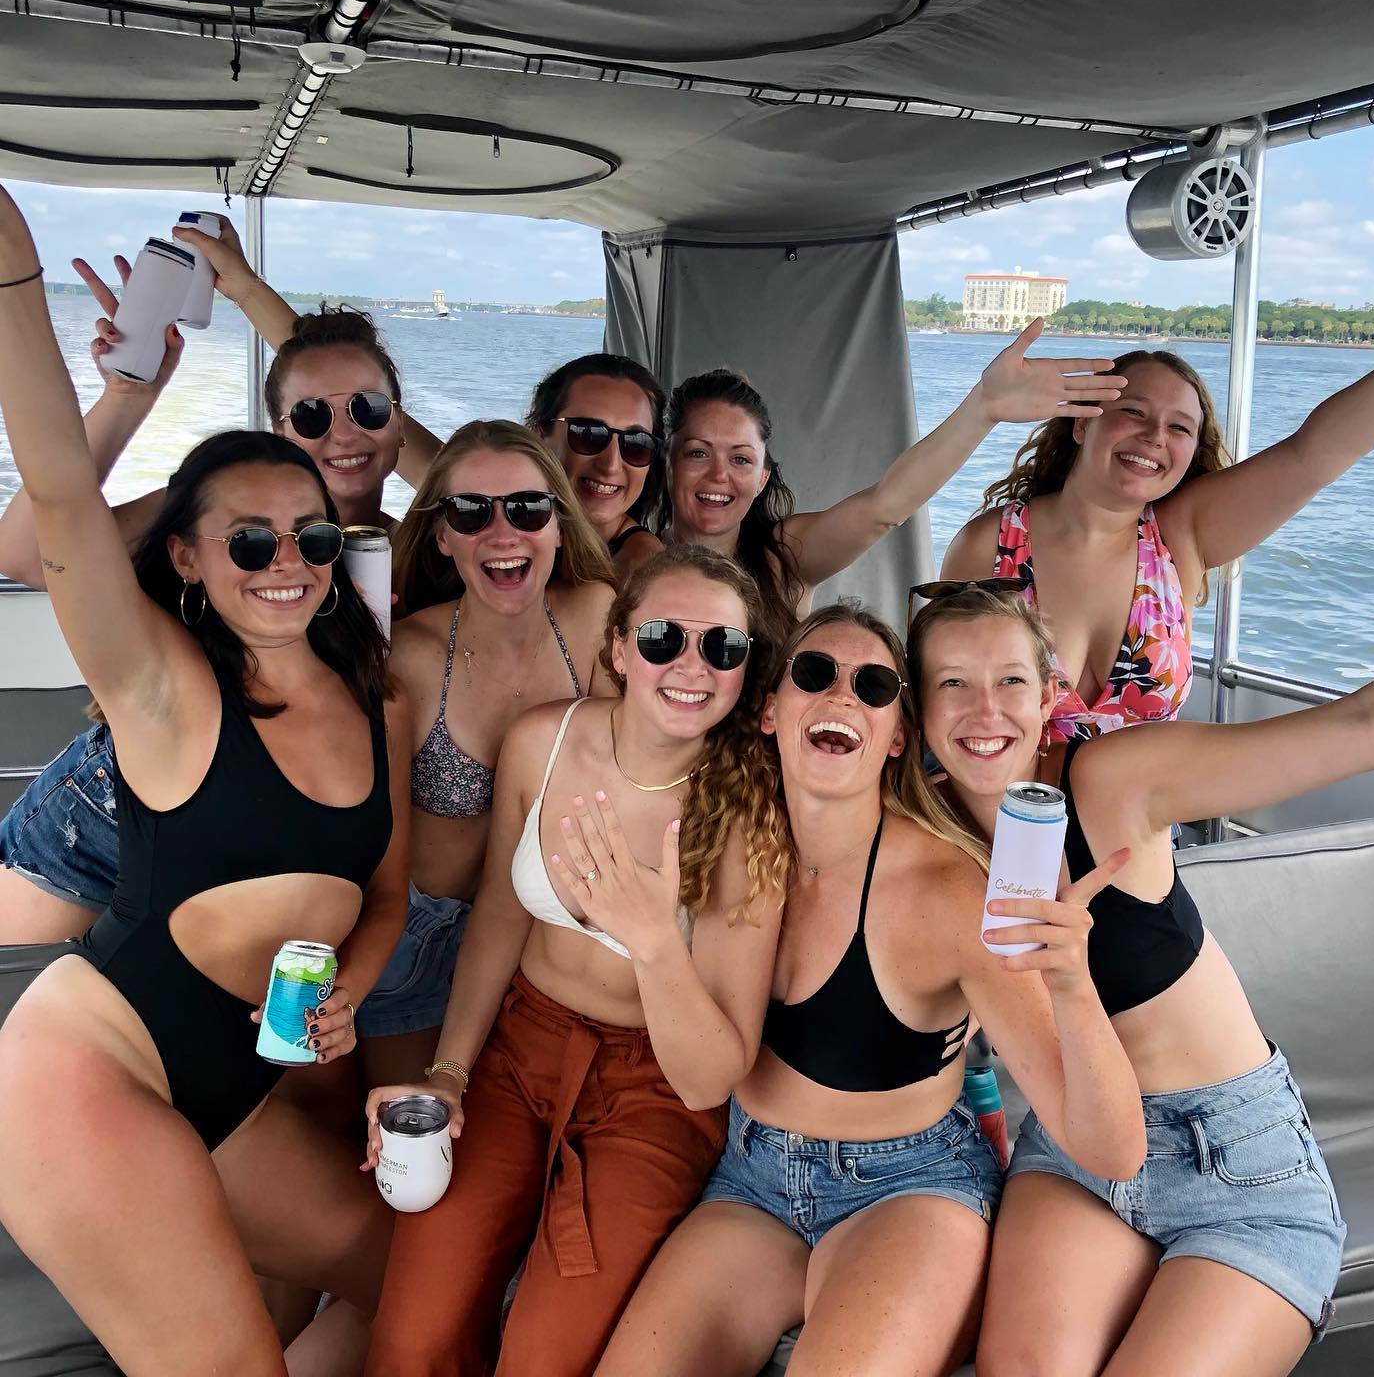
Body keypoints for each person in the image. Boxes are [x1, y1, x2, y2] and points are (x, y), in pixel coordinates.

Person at [0, 181, 411, 1374]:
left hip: (234, 1095)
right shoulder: (164, 685)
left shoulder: (370, 695)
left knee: (425, 1290)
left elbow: (379, 896)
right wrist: (17, 283)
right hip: (94, 1071)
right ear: (186, 554)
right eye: (248, 540)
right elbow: (62, 505)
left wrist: (353, 996)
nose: (287, 562)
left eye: (313, 537)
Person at [597, 602, 1144, 1377]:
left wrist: (1073, 987)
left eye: (876, 685)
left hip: (909, 1192)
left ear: (896, 739)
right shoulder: (742, 850)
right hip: (754, 1178)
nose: (842, 696)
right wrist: (654, 946)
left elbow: (1113, 1151)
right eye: (814, 674)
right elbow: (699, 1078)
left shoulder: (948, 893)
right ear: (768, 711)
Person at [909, 582, 1374, 1376]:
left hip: (1237, 1162)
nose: (986, 711)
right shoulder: (925, 831)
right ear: (917, 709)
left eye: (1011, 681)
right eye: (953, 683)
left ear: (1051, 693)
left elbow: (1362, 726)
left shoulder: (1116, 781)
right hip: (1077, 1151)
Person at [360, 545, 789, 1377]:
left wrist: (656, 939)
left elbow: (709, 1078)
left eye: (723, 648)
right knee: (411, 1336)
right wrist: (449, 1071)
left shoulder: (748, 809)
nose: (691, 666)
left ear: (745, 670)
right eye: (664, 638)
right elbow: (497, 919)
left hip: (655, 1090)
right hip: (518, 1050)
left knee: (546, 1359)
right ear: (621, 648)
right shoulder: (541, 742)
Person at [0, 297, 429, 948]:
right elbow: (32, 549)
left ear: (401, 427)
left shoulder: (422, 555)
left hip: (258, 859)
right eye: (312, 415)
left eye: (368, 409)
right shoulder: (214, 500)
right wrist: (127, 394)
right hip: (98, 834)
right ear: (279, 432)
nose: (343, 435)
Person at [939, 328, 1374, 741]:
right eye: (1133, 411)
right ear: (1080, 424)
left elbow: (1318, 453)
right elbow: (939, 701)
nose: (1155, 435)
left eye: (1179, 428)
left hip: (1141, 849)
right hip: (997, 836)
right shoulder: (989, 546)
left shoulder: (1182, 536)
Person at [371, 419, 615, 1077]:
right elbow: (372, 851)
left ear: (560, 525)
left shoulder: (595, 617)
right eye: (472, 511)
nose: (503, 532)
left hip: (546, 933)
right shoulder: (408, 657)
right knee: (403, 1146)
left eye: (529, 508)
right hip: (415, 941)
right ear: (443, 536)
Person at [657, 319, 1126, 636]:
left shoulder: (784, 558)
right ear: (667, 460)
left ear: (762, 479)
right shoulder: (629, 558)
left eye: (741, 459)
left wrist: (983, 408)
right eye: (698, 452)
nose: (719, 474)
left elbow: (886, 506)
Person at [525, 351, 668, 582]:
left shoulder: (644, 573)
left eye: (636, 444)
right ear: (539, 437)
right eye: (588, 434)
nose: (611, 464)